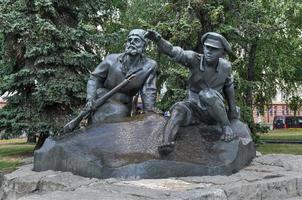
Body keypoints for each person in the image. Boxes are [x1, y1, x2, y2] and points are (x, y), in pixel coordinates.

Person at [145, 30, 239, 154]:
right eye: (207, 47)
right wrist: (158, 39)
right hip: (193, 108)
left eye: (214, 49)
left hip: (213, 111)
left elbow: (228, 87)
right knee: (178, 109)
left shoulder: (226, 66)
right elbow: (173, 51)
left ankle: (226, 128)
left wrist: (232, 111)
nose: (209, 51)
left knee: (207, 94)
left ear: (222, 52)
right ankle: (166, 143)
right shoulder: (193, 59)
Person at [86, 29, 157, 124]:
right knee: (116, 114)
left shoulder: (149, 66)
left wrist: (149, 114)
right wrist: (90, 99)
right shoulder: (111, 59)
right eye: (129, 40)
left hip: (125, 105)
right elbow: (94, 78)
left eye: (136, 40)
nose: (132, 42)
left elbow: (148, 91)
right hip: (103, 100)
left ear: (144, 45)